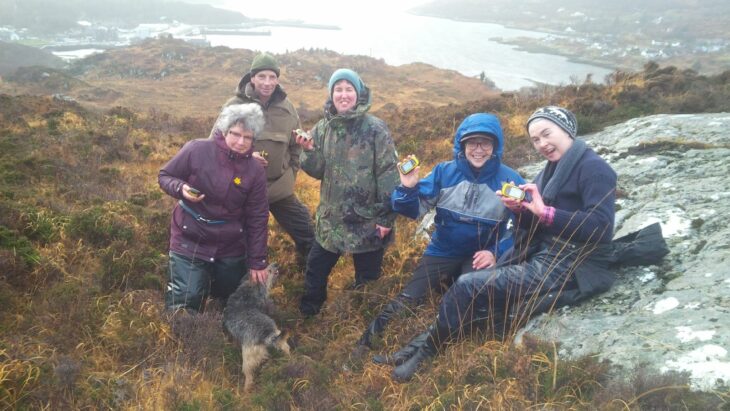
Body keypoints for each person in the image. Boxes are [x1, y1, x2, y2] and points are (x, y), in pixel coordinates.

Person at [388, 106, 620, 381]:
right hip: (545, 252)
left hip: (570, 262)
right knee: (476, 290)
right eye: (536, 140)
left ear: (567, 130)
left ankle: (425, 354)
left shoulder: (595, 169)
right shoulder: (552, 171)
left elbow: (601, 229)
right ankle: (415, 347)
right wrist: (522, 211)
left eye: (547, 134)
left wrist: (544, 212)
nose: (542, 144)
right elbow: (537, 226)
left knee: (468, 284)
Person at [354, 113, 525, 352]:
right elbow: (412, 210)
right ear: (461, 145)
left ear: (495, 146)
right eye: (471, 142)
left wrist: (495, 253)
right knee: (409, 298)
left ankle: (424, 348)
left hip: (480, 256)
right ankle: (364, 344)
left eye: (485, 143)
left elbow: (519, 228)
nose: (478, 149)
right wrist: (407, 188)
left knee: (469, 303)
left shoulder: (511, 180)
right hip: (443, 250)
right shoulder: (444, 172)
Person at [295, 68, 399, 316]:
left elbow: (388, 175)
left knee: (368, 278)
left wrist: (385, 219)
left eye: (348, 89)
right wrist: (309, 150)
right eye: (338, 90)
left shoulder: (375, 129)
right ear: (332, 95)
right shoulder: (323, 128)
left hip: (367, 220)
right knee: (316, 269)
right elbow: (317, 171)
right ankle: (309, 314)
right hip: (331, 221)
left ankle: (363, 319)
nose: (343, 95)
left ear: (358, 93)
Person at [160, 104, 269, 313]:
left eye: (247, 137)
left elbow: (257, 216)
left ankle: (223, 339)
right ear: (224, 130)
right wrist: (180, 188)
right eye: (235, 134)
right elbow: (165, 176)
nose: (240, 142)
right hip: (189, 237)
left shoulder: (255, 172)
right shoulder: (197, 149)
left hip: (230, 243)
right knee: (185, 301)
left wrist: (257, 261)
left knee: (230, 301)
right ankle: (184, 340)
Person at [214, 52, 314, 264]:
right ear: (252, 78)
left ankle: (304, 276)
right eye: (262, 77)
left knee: (308, 234)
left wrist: (290, 175)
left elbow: (296, 146)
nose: (267, 83)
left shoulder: (287, 108)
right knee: (235, 242)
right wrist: (247, 157)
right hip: (241, 188)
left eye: (272, 77)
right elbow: (215, 144)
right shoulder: (234, 105)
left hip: (279, 189)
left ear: (277, 79)